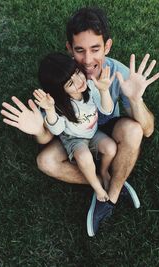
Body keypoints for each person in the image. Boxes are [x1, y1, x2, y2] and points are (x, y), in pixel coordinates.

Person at [1, 7, 159, 237]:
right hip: (73, 135)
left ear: (107, 46)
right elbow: (48, 136)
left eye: (95, 49)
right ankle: (101, 183)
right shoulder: (58, 79)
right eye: (79, 50)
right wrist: (38, 129)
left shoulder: (118, 73)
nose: (87, 61)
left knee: (133, 130)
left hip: (105, 127)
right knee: (45, 161)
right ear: (69, 49)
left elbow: (147, 130)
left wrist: (135, 100)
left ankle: (112, 195)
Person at [34, 52, 117, 201]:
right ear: (60, 91)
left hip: (92, 132)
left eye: (77, 73)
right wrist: (50, 110)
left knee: (111, 148)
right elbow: (57, 130)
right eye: (70, 83)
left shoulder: (91, 86)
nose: (79, 81)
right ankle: (97, 187)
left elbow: (107, 110)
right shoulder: (59, 105)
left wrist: (104, 91)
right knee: (84, 156)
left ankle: (104, 172)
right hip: (74, 138)